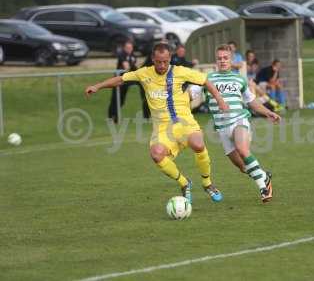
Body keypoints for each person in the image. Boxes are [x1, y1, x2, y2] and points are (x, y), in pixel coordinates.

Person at [85, 43, 229, 204]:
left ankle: (207, 183)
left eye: (165, 62)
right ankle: (184, 183)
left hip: (185, 123)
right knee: (156, 154)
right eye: (159, 61)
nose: (162, 65)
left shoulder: (180, 71)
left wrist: (220, 100)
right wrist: (97, 86)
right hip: (163, 129)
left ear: (170, 59)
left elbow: (205, 81)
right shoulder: (143, 74)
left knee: (198, 144)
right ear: (153, 59)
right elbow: (120, 79)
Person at [191, 44, 281, 203]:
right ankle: (263, 175)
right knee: (242, 167)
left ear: (231, 60)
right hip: (222, 128)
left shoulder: (240, 79)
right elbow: (191, 94)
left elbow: (252, 101)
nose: (223, 61)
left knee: (242, 149)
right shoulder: (207, 79)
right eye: (219, 58)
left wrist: (268, 112)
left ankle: (263, 188)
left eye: (226, 58)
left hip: (240, 119)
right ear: (216, 61)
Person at [108, 40, 150, 122]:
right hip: (118, 79)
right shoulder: (122, 55)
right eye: (127, 48)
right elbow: (126, 67)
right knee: (116, 99)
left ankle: (147, 108)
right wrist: (133, 67)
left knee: (122, 100)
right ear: (124, 48)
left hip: (127, 79)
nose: (129, 49)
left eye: (131, 48)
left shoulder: (133, 55)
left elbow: (134, 67)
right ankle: (111, 116)